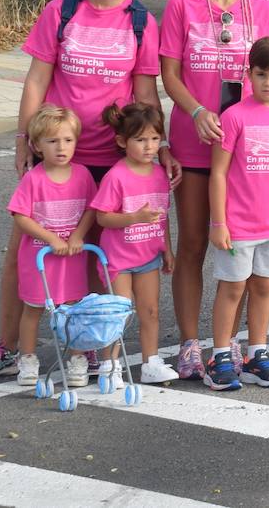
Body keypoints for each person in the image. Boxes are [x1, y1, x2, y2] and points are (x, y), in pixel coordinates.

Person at [0, 0, 172, 384]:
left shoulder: (141, 21)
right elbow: (36, 79)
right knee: (25, 250)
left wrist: (159, 145)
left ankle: (87, 345)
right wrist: (24, 139)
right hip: (58, 152)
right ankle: (8, 345)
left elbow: (145, 93)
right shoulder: (62, 10)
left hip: (109, 156)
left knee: (94, 254)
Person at [159, 0, 269, 380]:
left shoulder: (262, 8)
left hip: (245, 149)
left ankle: (229, 343)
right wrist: (195, 111)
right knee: (193, 244)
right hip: (195, 140)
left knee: (242, 249)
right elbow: (169, 74)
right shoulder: (181, 5)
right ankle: (190, 343)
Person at [205, 37, 269, 391]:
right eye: (262, 74)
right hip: (236, 227)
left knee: (264, 287)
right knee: (232, 289)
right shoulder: (234, 116)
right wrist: (218, 222)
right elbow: (219, 172)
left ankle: (256, 355)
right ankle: (220, 357)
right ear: (249, 75)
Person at [90, 102, 178, 387]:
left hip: (148, 256)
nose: (149, 146)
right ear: (122, 141)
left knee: (150, 311)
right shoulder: (116, 176)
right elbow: (102, 217)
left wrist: (167, 248)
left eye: (154, 138)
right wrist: (133, 218)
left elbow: (162, 215)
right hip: (118, 259)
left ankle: (150, 363)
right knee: (118, 313)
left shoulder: (159, 174)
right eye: (140, 140)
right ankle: (110, 365)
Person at [9, 105, 96, 389]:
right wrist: (50, 238)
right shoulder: (34, 179)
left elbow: (91, 209)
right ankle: (28, 358)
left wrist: (78, 235)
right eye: (53, 141)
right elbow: (20, 215)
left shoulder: (82, 175)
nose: (61, 147)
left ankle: (77, 359)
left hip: (71, 259)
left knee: (73, 310)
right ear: (37, 146)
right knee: (34, 309)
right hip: (40, 259)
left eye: (68, 140)